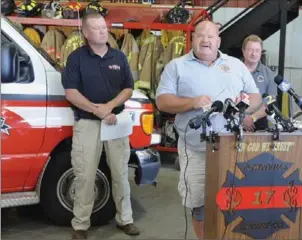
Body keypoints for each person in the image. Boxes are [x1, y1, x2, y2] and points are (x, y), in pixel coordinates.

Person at [155, 20, 262, 239]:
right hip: (195, 147)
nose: (205, 40)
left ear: (218, 41)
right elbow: (162, 101)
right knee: (200, 203)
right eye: (200, 35)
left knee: (234, 199)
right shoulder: (176, 66)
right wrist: (191, 103)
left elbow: (256, 96)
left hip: (232, 146)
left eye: (210, 36)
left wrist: (241, 107)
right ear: (192, 38)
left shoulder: (235, 65)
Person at [62, 12, 140, 239]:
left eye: (104, 27)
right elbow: (71, 93)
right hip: (87, 123)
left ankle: (125, 220)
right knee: (85, 175)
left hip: (116, 123)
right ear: (86, 33)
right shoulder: (76, 58)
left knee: (120, 173)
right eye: (96, 28)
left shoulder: (119, 57)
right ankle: (80, 225)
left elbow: (128, 88)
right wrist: (97, 110)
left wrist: (110, 106)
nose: (102, 31)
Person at [241, 34, 278, 132]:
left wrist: (252, 118)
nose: (253, 54)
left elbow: (270, 103)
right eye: (250, 50)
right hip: (235, 121)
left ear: (261, 52)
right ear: (243, 51)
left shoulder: (269, 74)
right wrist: (241, 119)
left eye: (257, 50)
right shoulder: (233, 72)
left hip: (260, 123)